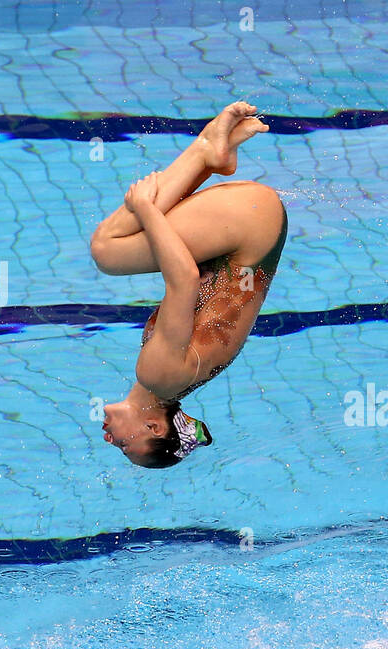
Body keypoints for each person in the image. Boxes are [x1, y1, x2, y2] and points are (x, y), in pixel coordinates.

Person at [89, 102, 288, 468]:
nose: (109, 438)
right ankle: (205, 151)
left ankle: (210, 156)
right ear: (152, 426)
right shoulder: (158, 374)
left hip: (257, 233)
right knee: (107, 250)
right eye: (123, 446)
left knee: (123, 243)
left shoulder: (176, 384)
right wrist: (145, 208)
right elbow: (183, 279)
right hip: (248, 224)